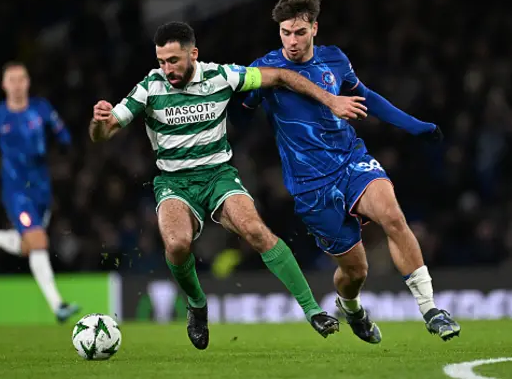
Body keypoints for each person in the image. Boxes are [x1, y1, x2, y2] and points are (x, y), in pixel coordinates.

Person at [89, 21, 367, 350]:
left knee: (256, 231)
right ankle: (196, 304)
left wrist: (329, 100)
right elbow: (105, 133)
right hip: (175, 183)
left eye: (174, 60)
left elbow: (278, 75)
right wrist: (98, 122)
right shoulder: (150, 87)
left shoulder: (221, 76)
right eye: (162, 61)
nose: (167, 69)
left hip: (218, 175)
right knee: (177, 245)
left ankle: (312, 310)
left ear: (193, 53)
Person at [234, 0, 461, 342]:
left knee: (392, 215)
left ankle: (431, 310)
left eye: (299, 32)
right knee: (355, 272)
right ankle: (351, 309)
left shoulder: (334, 60)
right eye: (285, 32)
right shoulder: (264, 70)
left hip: (351, 161)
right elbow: (239, 114)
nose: (292, 41)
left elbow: (367, 98)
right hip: (310, 186)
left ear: (314, 29)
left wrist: (415, 125)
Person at [0, 61, 80, 323]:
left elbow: (62, 133)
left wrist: (65, 144)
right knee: (39, 241)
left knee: (30, 245)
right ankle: (58, 306)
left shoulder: (41, 109)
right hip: (16, 191)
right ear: (4, 84)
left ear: (28, 82)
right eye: (12, 79)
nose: (17, 84)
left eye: (22, 79)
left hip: (42, 190)